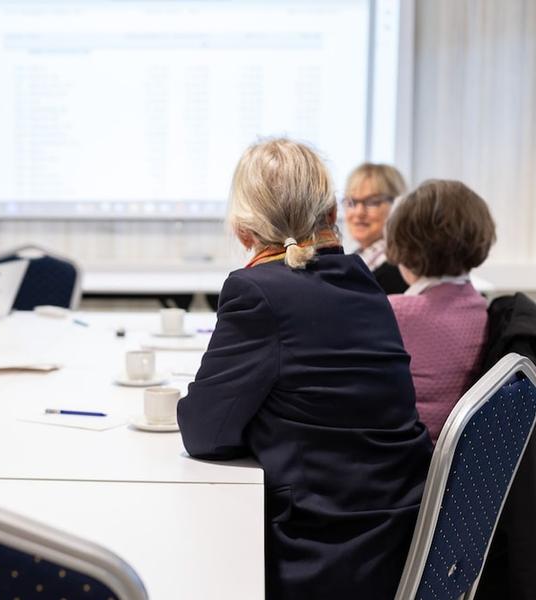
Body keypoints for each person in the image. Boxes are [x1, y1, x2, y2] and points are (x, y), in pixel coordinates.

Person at [177, 139, 431, 600]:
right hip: (396, 539)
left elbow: (203, 434)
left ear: (243, 228)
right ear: (332, 213)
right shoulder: (362, 280)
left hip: (321, 554)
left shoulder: (256, 291)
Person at [386, 179, 496, 442]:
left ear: (403, 243)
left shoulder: (395, 313)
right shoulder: (482, 308)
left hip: (399, 465)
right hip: (454, 467)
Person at [343, 163, 409, 293]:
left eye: (372, 202)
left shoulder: (399, 271)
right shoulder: (357, 259)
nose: (359, 212)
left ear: (397, 206)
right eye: (352, 202)